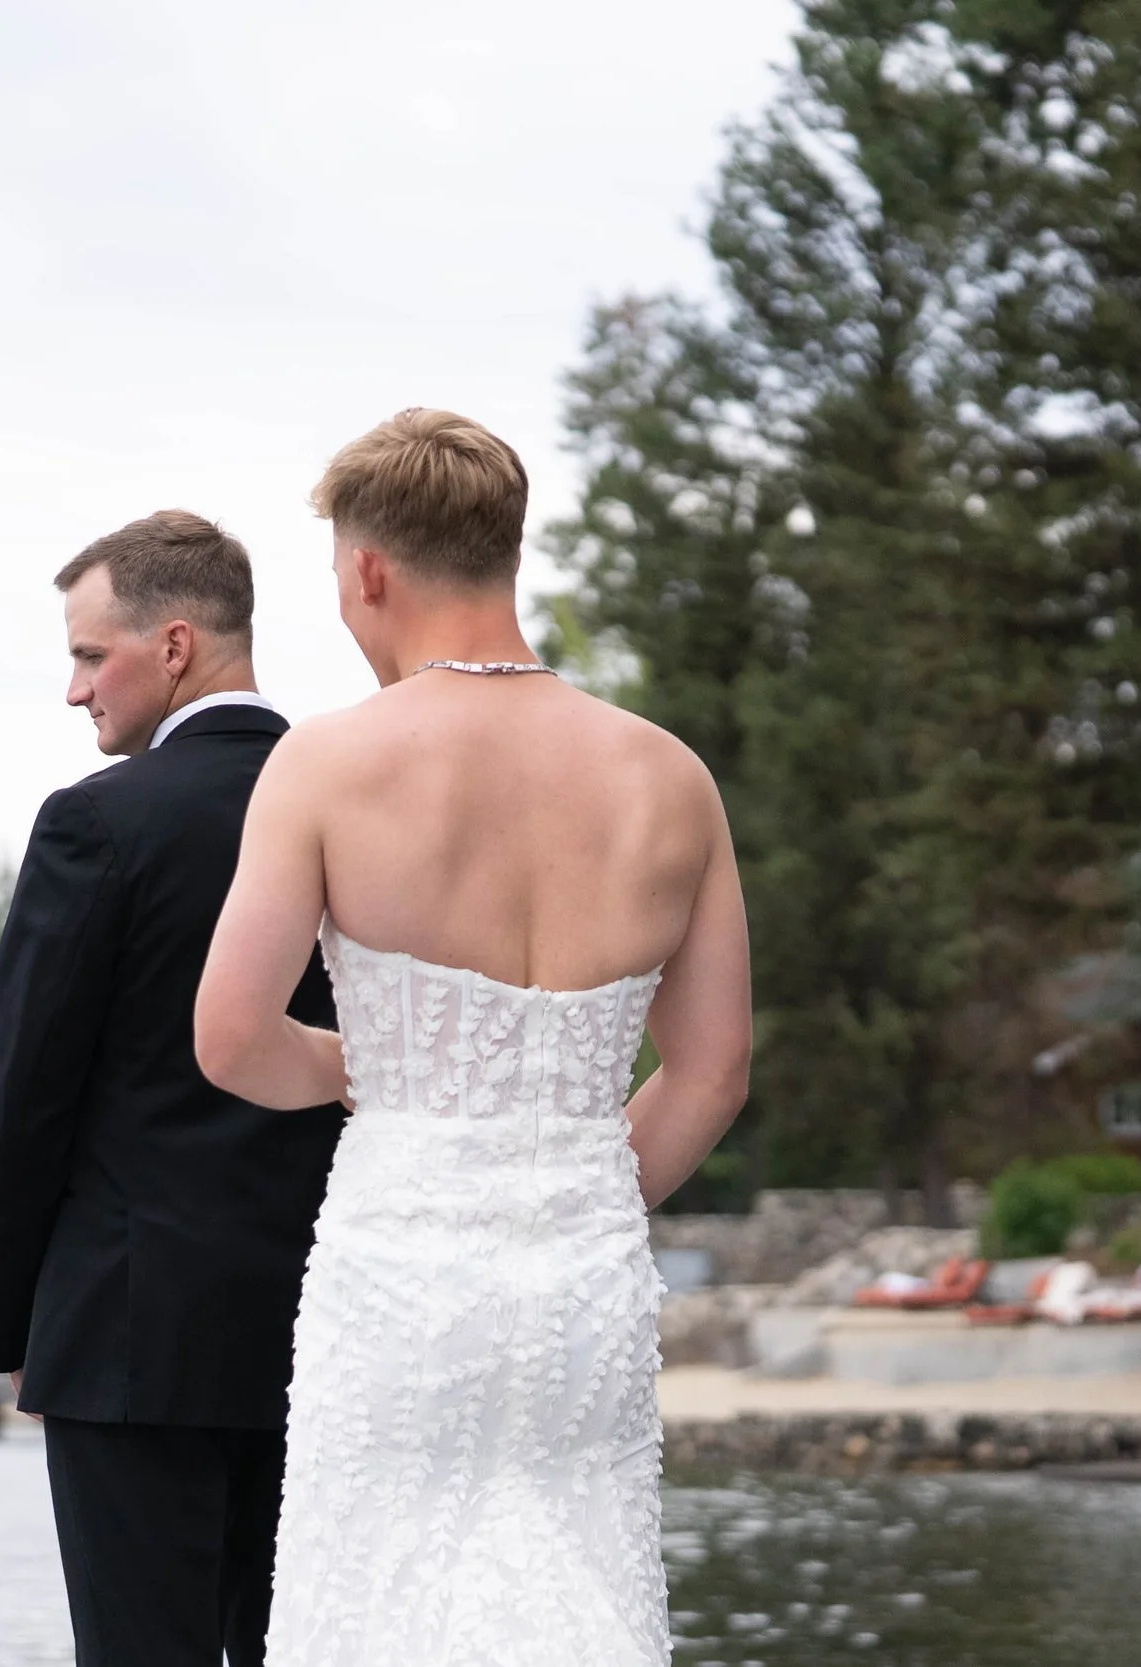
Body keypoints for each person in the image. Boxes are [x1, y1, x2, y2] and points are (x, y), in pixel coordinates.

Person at [195, 410, 753, 1665]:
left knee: (376, 1590)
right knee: (572, 1570)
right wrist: (588, 1185)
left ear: (370, 569)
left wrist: (374, 1078)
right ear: (503, 550)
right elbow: (713, 1067)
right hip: (580, 1266)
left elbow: (231, 1036)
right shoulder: (669, 775)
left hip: (396, 1255)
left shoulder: (327, 764)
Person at [0, 509, 344, 1667]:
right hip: (332, 1322)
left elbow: (23, 1099)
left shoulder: (98, 822)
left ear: (174, 646)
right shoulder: (359, 808)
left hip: (131, 1335)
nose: (74, 689)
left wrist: (17, 1323)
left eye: (91, 654)